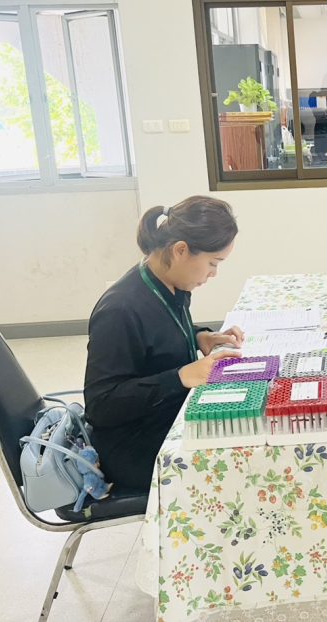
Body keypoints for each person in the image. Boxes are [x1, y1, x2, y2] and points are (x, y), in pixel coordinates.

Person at [84, 196, 243, 490]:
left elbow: (157, 333)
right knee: (239, 460)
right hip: (134, 445)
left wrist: (199, 336)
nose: (213, 274)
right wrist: (181, 376)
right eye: (213, 263)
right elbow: (101, 405)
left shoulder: (168, 282)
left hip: (165, 413)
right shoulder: (120, 310)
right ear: (180, 250)